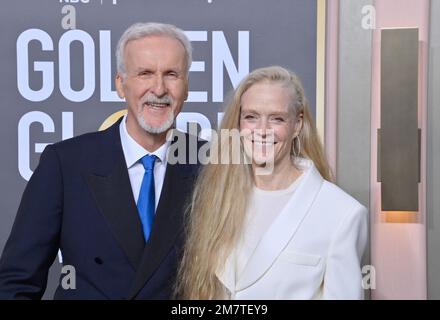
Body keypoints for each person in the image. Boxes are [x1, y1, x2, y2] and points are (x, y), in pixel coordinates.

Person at [0, 22, 203, 299]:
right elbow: (16, 282)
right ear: (121, 84)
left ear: (186, 86)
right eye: (145, 73)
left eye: (171, 74)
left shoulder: (210, 166)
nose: (159, 88)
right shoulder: (65, 164)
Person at [176, 66, 368, 300]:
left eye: (277, 119)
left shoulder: (342, 214)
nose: (262, 131)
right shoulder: (215, 197)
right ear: (238, 125)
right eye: (251, 117)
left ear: (297, 125)